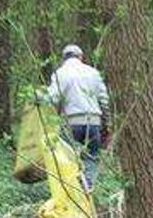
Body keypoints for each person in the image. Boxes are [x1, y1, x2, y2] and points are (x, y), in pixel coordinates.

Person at [47, 44, 110, 191]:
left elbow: (52, 98)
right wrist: (107, 124)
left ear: (64, 58)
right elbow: (104, 101)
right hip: (93, 122)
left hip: (71, 123)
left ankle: (72, 190)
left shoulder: (60, 74)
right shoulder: (93, 73)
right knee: (91, 158)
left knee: (69, 159)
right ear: (81, 57)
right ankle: (87, 187)